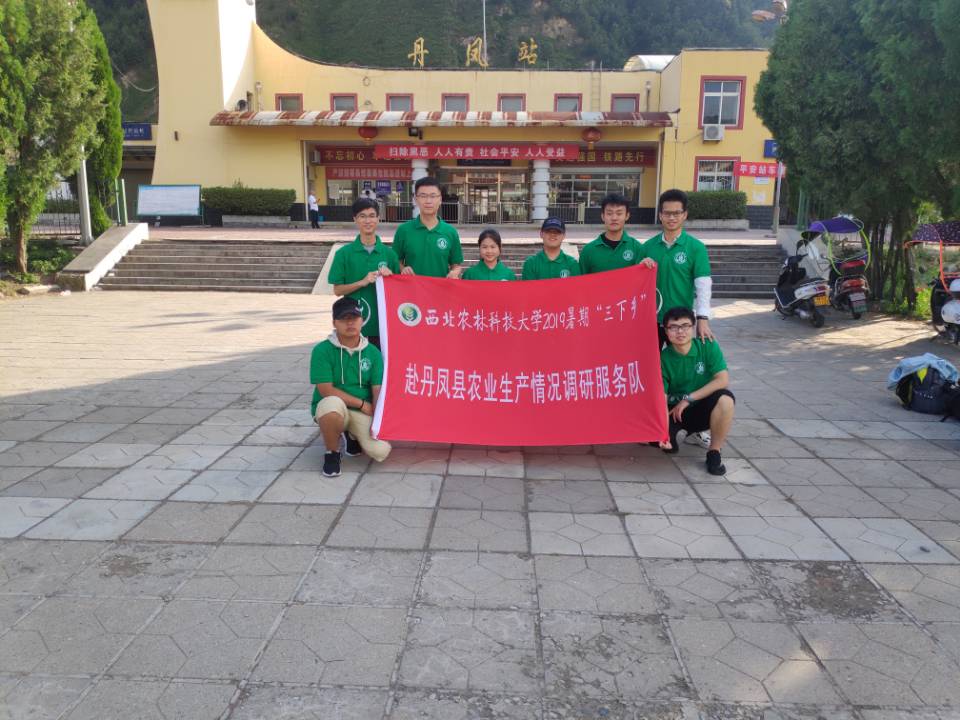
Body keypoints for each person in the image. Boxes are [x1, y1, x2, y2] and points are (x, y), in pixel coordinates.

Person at [310, 296, 392, 477]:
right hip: (333, 405)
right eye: (344, 318)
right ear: (334, 323)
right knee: (332, 407)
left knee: (381, 451)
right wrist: (362, 404)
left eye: (354, 318)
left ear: (362, 320)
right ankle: (332, 453)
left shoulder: (373, 352)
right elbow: (326, 390)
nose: (350, 323)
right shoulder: (322, 350)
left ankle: (351, 434)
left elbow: (377, 389)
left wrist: (377, 420)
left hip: (361, 412)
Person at [658, 306, 735, 476]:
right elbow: (661, 399)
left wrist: (688, 399)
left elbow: (723, 380)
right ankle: (678, 434)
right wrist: (663, 433)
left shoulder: (707, 346)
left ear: (693, 327)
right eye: (673, 327)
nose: (680, 331)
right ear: (666, 331)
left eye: (685, 326)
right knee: (666, 446)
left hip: (700, 408)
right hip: (675, 412)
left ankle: (714, 452)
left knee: (726, 399)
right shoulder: (662, 359)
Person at [641, 189, 714, 343]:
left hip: (681, 322)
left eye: (677, 213)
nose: (672, 218)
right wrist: (641, 268)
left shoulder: (696, 248)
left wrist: (702, 318)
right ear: (660, 215)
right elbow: (636, 284)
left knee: (680, 358)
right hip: (652, 320)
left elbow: (703, 286)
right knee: (651, 358)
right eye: (667, 213)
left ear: (685, 215)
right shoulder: (647, 247)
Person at [328, 198, 400, 348]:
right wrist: (363, 282)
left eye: (372, 216)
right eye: (362, 216)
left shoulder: (389, 254)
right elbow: (337, 290)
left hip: (382, 325)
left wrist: (391, 278)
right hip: (354, 324)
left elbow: (399, 292)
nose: (368, 221)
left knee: (379, 361)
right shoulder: (343, 254)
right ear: (355, 219)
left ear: (378, 218)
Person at [393, 177, 464, 278]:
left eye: (433, 196)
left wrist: (455, 272)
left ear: (440, 199)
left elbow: (456, 265)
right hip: (411, 287)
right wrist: (402, 269)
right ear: (416, 199)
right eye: (423, 196)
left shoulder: (450, 232)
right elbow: (395, 261)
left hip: (440, 287)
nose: (428, 201)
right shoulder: (403, 230)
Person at [578, 193, 651, 275]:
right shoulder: (588, 250)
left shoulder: (637, 248)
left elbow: (642, 278)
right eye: (609, 213)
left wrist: (647, 266)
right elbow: (580, 280)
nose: (614, 218)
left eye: (619, 213)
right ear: (602, 216)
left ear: (627, 216)